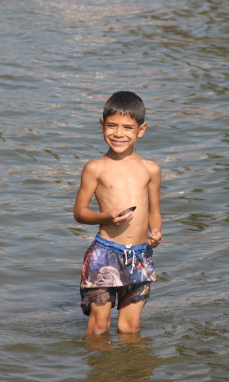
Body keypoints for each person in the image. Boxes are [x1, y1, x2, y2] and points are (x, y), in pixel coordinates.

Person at [74, 90, 162, 335]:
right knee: (99, 325)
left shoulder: (151, 169)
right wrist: (105, 217)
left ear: (141, 130)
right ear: (101, 126)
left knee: (129, 327)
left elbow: (155, 210)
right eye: (112, 126)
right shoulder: (95, 168)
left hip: (139, 256)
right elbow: (79, 212)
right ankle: (99, 370)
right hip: (104, 253)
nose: (119, 133)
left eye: (127, 127)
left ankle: (132, 372)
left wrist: (156, 232)